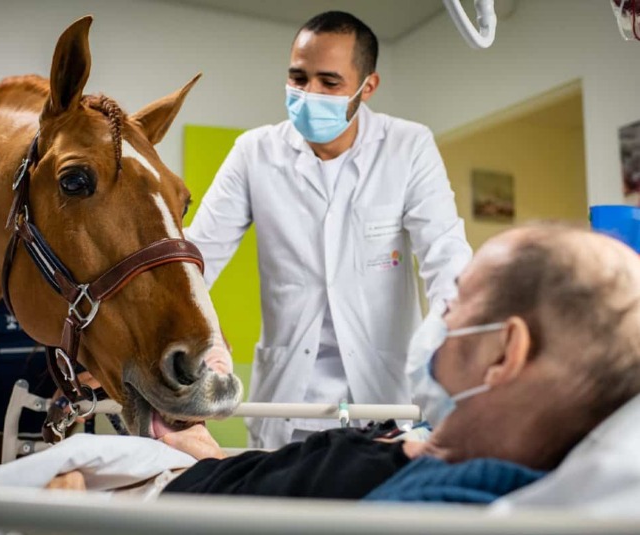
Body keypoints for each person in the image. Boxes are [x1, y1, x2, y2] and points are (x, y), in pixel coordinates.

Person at [145, 223, 640, 500]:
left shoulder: (425, 504)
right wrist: (206, 454)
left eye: (455, 302)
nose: (440, 318)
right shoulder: (426, 451)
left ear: (502, 354)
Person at [185, 11, 473, 448]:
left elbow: (446, 256)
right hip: (287, 404)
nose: (309, 93)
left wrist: (453, 351)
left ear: (367, 86)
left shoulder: (407, 146)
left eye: (329, 82)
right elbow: (196, 258)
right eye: (298, 78)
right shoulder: (254, 153)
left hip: (384, 404)